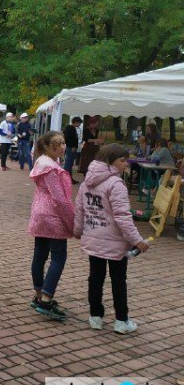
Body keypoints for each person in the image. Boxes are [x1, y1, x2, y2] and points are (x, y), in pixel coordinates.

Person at [74, 144, 150, 334]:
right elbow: (123, 216)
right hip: (115, 241)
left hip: (93, 237)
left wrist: (77, 230)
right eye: (122, 160)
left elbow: (80, 210)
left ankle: (95, 317)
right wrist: (136, 240)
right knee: (118, 280)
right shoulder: (115, 184)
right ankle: (121, 320)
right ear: (110, 161)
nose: (126, 164)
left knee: (95, 278)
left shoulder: (86, 182)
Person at [28, 131, 74, 320]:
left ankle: (39, 295)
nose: (63, 147)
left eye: (64, 143)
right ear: (48, 146)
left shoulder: (42, 163)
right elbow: (60, 200)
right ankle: (46, 298)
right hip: (52, 217)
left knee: (40, 254)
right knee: (58, 256)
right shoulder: (51, 169)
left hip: (40, 213)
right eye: (58, 144)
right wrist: (72, 223)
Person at [62, 116, 83, 184]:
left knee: (70, 163)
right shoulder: (70, 128)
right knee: (69, 163)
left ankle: (69, 178)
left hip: (71, 147)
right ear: (76, 122)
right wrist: (72, 146)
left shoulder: (71, 128)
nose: (79, 124)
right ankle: (65, 178)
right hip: (71, 148)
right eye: (79, 123)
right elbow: (68, 138)